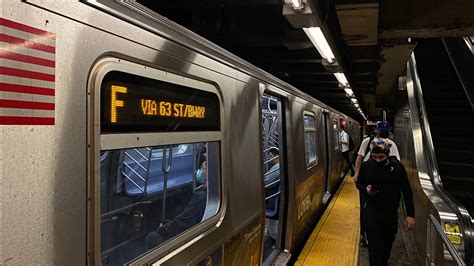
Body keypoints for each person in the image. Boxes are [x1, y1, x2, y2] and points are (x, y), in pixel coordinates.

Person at [356, 140, 415, 265]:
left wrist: (410, 215)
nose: (377, 160)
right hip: (372, 213)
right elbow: (359, 183)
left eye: (381, 157)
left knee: (386, 248)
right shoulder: (367, 166)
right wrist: (366, 189)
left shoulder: (398, 168)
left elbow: (407, 192)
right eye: (374, 157)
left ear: (388, 155)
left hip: (390, 214)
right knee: (374, 250)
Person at [354, 121, 400, 245]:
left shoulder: (391, 145)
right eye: (382, 130)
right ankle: (365, 235)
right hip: (367, 180)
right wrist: (357, 174)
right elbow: (359, 157)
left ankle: (380, 233)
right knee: (365, 209)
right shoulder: (367, 141)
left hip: (384, 182)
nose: (384, 133)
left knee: (382, 208)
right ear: (377, 131)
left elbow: (396, 163)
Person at [145, 158, 208, 248]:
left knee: (151, 237)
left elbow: (184, 222)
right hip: (192, 228)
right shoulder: (206, 191)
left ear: (208, 172)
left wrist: (163, 229)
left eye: (202, 168)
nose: (199, 171)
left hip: (190, 235)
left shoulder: (201, 196)